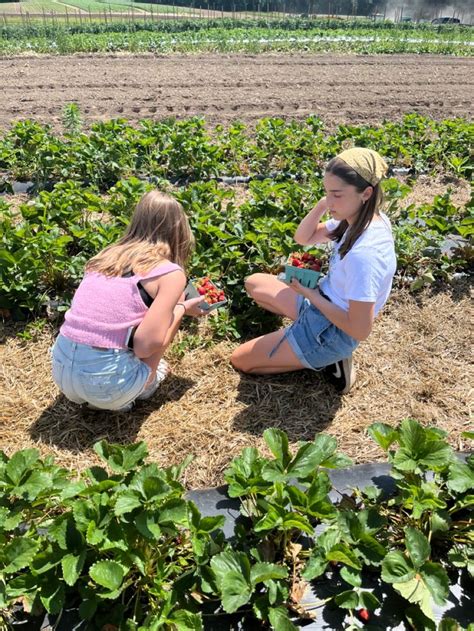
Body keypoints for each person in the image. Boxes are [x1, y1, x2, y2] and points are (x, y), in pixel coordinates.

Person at [231, 147, 397, 394]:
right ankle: (303, 346)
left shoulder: (365, 254)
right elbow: (303, 237)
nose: (330, 201)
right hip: (322, 302)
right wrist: (325, 204)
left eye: (337, 195)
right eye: (326, 192)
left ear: (366, 193)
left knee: (240, 359)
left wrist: (310, 295)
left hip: (333, 331)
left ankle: (326, 358)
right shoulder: (358, 217)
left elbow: (360, 330)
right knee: (254, 283)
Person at [51, 190, 206, 411]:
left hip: (62, 371)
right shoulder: (170, 274)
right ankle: (130, 392)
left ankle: (97, 392)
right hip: (107, 384)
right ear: (179, 231)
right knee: (163, 333)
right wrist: (180, 308)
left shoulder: (106, 257)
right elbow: (145, 346)